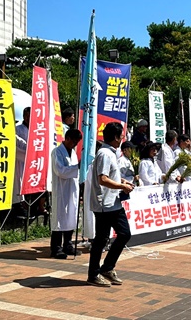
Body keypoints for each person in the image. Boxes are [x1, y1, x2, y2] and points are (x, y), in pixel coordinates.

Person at [87, 122, 134, 287]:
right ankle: (94, 274)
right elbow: (103, 179)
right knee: (102, 239)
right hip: (104, 204)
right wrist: (122, 186)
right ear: (115, 137)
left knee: (123, 234)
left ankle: (106, 268)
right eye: (121, 136)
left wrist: (122, 181)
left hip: (113, 202)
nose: (123, 138)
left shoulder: (111, 153)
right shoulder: (105, 154)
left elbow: (110, 175)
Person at [50, 129, 83, 259]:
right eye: (73, 142)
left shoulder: (73, 153)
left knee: (71, 215)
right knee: (59, 217)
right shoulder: (57, 152)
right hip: (61, 189)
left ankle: (68, 244)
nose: (74, 145)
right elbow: (60, 171)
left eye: (76, 143)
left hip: (72, 189)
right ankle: (56, 248)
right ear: (67, 138)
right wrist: (77, 168)